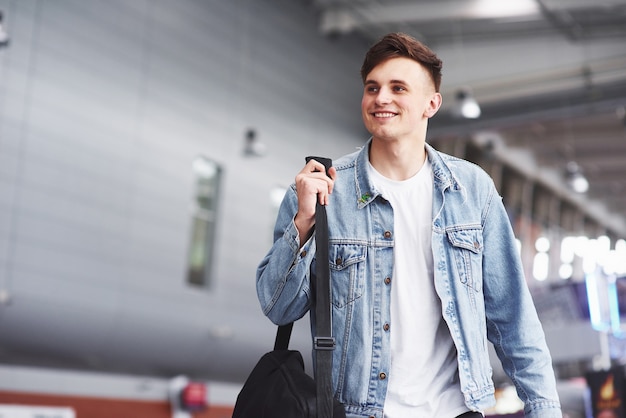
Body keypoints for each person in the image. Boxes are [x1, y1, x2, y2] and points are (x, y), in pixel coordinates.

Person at [256, 32, 562, 418]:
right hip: (357, 412)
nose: (381, 98)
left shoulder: (472, 191)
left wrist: (545, 409)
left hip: (455, 410)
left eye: (398, 88)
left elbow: (513, 320)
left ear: (431, 104)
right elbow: (278, 308)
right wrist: (303, 223)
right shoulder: (321, 191)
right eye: (372, 87)